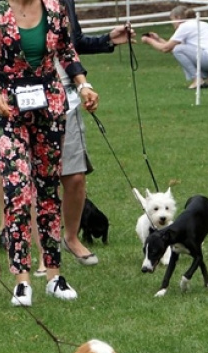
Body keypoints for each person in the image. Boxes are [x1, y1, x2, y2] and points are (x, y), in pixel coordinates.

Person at [0, 0, 98, 306]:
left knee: (49, 191)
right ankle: (22, 280)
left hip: (49, 107)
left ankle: (54, 276)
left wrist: (83, 86)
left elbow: (67, 51)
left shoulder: (55, 8)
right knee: (18, 192)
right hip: (7, 109)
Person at [59, 0, 131, 265]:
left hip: (67, 94)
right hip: (27, 95)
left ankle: (71, 237)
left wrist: (106, 40)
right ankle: (44, 253)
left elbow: (70, 44)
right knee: (36, 181)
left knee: (75, 177)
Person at [140, 5, 208, 89]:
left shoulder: (184, 26)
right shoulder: (198, 23)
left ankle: (197, 80)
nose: (172, 23)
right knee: (180, 50)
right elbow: (174, 48)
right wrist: (158, 39)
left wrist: (149, 40)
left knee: (178, 50)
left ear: (178, 18)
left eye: (172, 20)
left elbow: (166, 49)